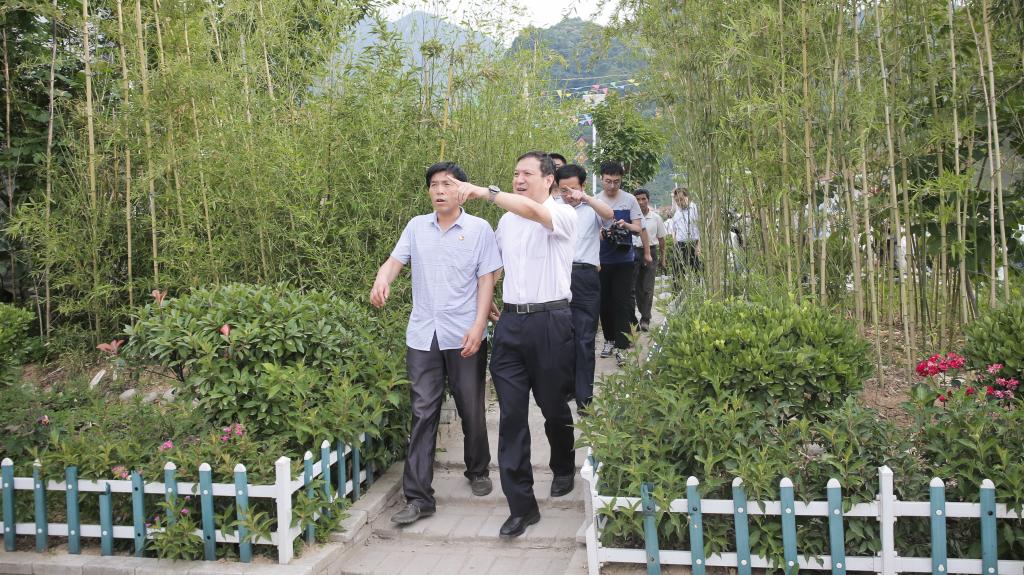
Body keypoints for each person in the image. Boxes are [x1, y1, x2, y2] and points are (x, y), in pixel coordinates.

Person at [449, 151, 577, 539]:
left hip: (551, 322)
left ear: (549, 179)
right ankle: (522, 506)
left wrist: (484, 192)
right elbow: (495, 268)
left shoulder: (562, 214)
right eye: (515, 174)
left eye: (526, 174)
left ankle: (563, 465)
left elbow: (533, 212)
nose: (518, 179)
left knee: (553, 407)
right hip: (511, 325)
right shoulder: (506, 221)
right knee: (512, 417)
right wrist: (483, 306)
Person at [370, 162, 502, 525]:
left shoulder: (479, 229)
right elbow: (393, 262)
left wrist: (479, 325)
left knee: (470, 406)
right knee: (423, 410)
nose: (440, 190)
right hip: (423, 334)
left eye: (447, 184)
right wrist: (382, 280)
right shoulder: (416, 226)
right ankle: (418, 497)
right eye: (434, 184)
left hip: (464, 332)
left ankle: (477, 468)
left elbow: (486, 279)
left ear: (462, 190)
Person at [555, 163, 612, 412]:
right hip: (557, 276)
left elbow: (609, 215)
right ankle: (565, 389)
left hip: (585, 277)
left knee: (585, 338)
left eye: (573, 189)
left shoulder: (592, 208)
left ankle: (584, 399)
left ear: (582, 186)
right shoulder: (553, 208)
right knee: (560, 338)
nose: (568, 195)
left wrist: (586, 198)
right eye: (563, 190)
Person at [595, 161, 649, 366]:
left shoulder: (629, 200)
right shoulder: (595, 200)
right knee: (604, 302)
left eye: (616, 181)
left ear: (621, 180)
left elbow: (638, 228)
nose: (612, 186)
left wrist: (624, 224)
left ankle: (622, 345)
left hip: (624, 259)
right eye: (608, 181)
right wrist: (601, 233)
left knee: (622, 303)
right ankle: (609, 340)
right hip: (601, 260)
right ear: (601, 179)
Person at [631, 189, 667, 332]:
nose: (641, 202)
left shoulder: (656, 218)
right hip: (633, 253)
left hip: (651, 252)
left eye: (643, 199)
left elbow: (661, 240)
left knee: (647, 287)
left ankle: (645, 318)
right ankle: (638, 316)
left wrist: (663, 258)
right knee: (635, 288)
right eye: (638, 199)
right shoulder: (630, 217)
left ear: (648, 200)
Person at [668, 187, 701, 278]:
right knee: (677, 273)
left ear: (687, 197)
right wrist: (675, 245)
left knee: (698, 272)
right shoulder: (677, 212)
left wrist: (699, 246)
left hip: (694, 244)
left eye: (681, 199)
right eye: (677, 201)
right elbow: (674, 230)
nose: (679, 203)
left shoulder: (696, 209)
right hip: (680, 245)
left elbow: (701, 229)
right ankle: (678, 287)